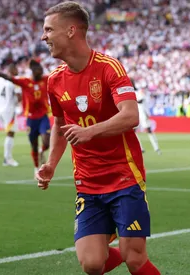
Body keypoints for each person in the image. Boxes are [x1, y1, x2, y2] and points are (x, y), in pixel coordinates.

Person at [36, 2, 160, 275]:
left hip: (124, 176)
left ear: (71, 30)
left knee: (134, 258)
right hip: (88, 183)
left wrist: (88, 132)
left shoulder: (108, 68)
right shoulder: (54, 80)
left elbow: (131, 116)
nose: (43, 37)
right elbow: (59, 124)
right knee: (92, 263)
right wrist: (51, 164)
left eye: (48, 30)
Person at [0, 60, 50, 176]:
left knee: (46, 141)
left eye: (41, 70)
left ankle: (41, 151)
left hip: (43, 116)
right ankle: (35, 168)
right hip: (28, 118)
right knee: (32, 145)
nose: (40, 73)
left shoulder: (46, 80)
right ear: (33, 72)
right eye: (37, 71)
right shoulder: (24, 81)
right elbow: (8, 78)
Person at [0, 63, 22, 166]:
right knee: (10, 133)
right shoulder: (14, 80)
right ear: (12, 70)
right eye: (16, 69)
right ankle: (7, 159)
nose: (17, 71)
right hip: (8, 109)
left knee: (9, 133)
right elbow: (19, 97)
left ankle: (7, 158)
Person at [132, 81, 161, 155]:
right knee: (134, 131)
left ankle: (156, 147)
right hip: (136, 113)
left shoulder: (139, 92)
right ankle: (140, 148)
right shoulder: (134, 93)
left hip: (143, 114)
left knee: (148, 130)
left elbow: (140, 100)